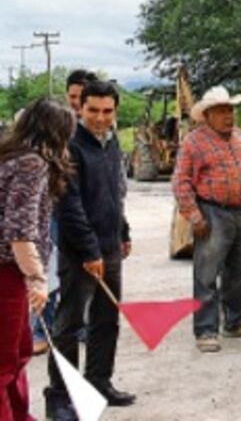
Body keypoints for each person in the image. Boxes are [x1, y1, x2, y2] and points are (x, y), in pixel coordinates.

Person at [47, 80, 134, 419]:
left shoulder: (111, 144)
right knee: (68, 326)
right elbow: (69, 207)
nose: (100, 118)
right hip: (79, 253)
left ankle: (99, 383)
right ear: (80, 108)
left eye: (107, 111)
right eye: (93, 110)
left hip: (110, 247)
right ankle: (61, 397)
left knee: (106, 320)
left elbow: (114, 194)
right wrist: (89, 252)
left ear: (115, 111)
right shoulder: (69, 147)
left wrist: (122, 231)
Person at [0, 99, 75, 421]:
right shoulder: (32, 164)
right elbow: (19, 230)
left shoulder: (11, 157)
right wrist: (36, 278)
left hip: (10, 271)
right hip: (8, 273)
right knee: (4, 360)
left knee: (18, 352)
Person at [172, 86, 241, 354]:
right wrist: (194, 217)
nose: (228, 115)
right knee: (207, 274)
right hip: (212, 212)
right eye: (221, 110)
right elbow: (181, 181)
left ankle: (234, 322)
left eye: (230, 109)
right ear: (207, 115)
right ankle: (206, 330)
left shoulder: (240, 137)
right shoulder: (194, 142)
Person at [30, 71, 99, 358]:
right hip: (56, 213)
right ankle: (41, 329)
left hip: (87, 214)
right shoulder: (54, 132)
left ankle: (77, 323)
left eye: (79, 98)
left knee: (84, 273)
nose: (74, 103)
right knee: (52, 269)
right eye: (71, 97)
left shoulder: (96, 134)